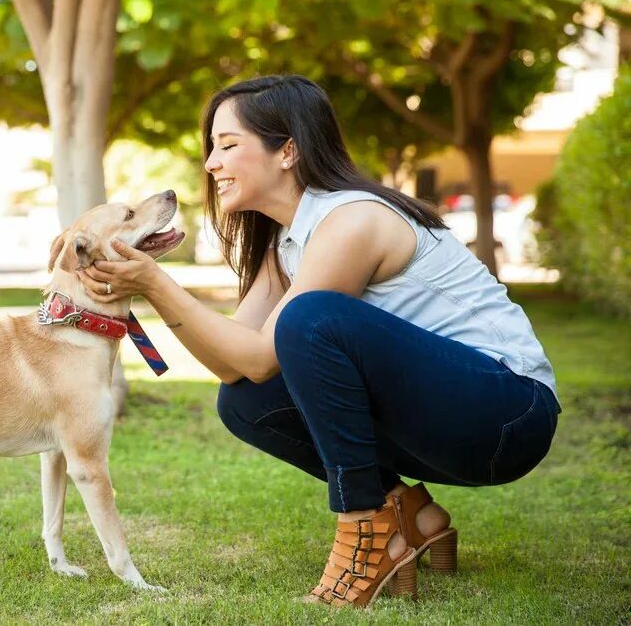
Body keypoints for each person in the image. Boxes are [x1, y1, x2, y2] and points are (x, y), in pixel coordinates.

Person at [78, 75, 560, 607]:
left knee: (309, 319)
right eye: (211, 148)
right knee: (244, 402)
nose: (211, 164)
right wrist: (150, 288)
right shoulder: (283, 242)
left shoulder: (352, 219)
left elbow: (265, 354)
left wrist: (154, 282)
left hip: (509, 414)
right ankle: (409, 515)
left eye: (228, 145)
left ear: (288, 150)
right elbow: (238, 366)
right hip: (449, 419)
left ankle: (364, 526)